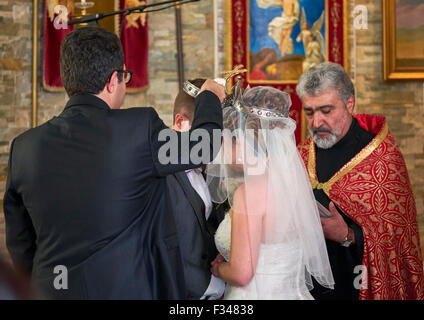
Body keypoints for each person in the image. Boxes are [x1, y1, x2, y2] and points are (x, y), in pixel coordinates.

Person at [3, 26, 225, 299]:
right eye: (125, 77)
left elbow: (21, 243)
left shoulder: (23, 148)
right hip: (124, 289)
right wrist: (210, 95)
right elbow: (203, 146)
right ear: (112, 81)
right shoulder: (138, 130)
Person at [296, 62, 424, 300]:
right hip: (307, 288)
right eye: (310, 112)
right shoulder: (301, 154)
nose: (316, 123)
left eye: (326, 110)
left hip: (356, 283)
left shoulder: (382, 159)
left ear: (349, 104)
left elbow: (397, 238)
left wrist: (348, 235)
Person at [206, 85, 335, 299]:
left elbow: (241, 273)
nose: (222, 147)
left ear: (242, 141)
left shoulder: (250, 193)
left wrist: (218, 269)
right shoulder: (292, 188)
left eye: (227, 139)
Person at [166, 79, 227, 300]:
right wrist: (217, 287)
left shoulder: (209, 169)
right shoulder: (163, 176)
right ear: (180, 122)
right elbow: (176, 249)